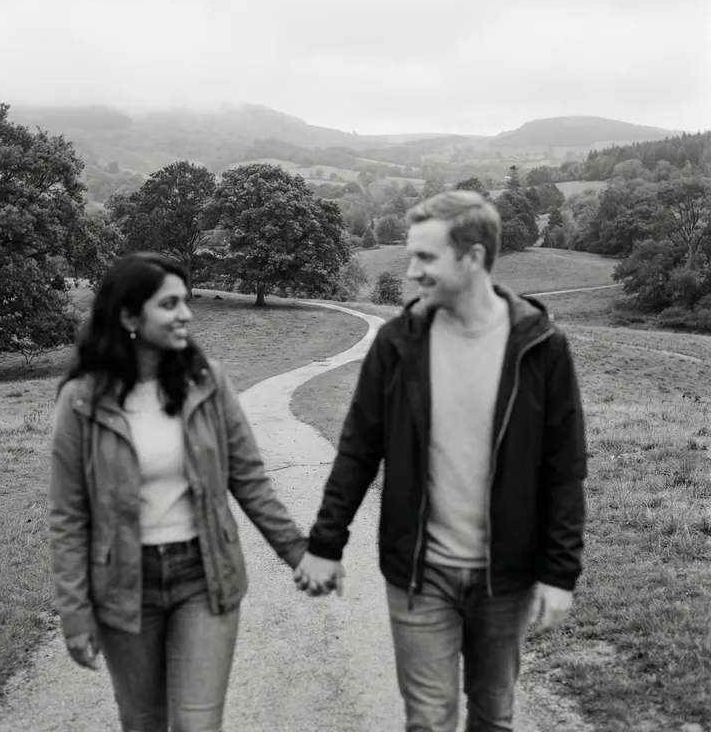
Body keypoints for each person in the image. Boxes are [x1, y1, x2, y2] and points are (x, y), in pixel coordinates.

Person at [293, 190, 587, 732]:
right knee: (428, 720)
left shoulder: (541, 346)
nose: (410, 272)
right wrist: (325, 545)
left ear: (472, 257)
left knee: (493, 715)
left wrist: (559, 574)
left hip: (507, 575)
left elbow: (563, 470)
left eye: (425, 258)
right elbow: (359, 449)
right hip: (418, 572)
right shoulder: (397, 342)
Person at [49, 252, 307, 732]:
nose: (186, 314)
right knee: (144, 720)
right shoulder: (81, 399)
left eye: (185, 302)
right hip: (125, 584)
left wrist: (299, 553)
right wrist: (75, 613)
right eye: (169, 304)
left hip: (202, 574)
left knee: (197, 723)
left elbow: (249, 480)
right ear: (129, 316)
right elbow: (68, 515)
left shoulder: (206, 382)